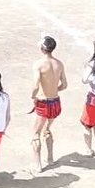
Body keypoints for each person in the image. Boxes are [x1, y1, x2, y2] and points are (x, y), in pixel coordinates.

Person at [30, 36, 67, 172]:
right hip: (55, 102)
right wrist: (53, 89)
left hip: (43, 102)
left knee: (35, 133)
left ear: (42, 48)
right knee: (47, 129)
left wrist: (33, 96)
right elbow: (64, 85)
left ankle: (38, 164)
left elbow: (35, 86)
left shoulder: (38, 65)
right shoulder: (59, 64)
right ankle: (50, 158)